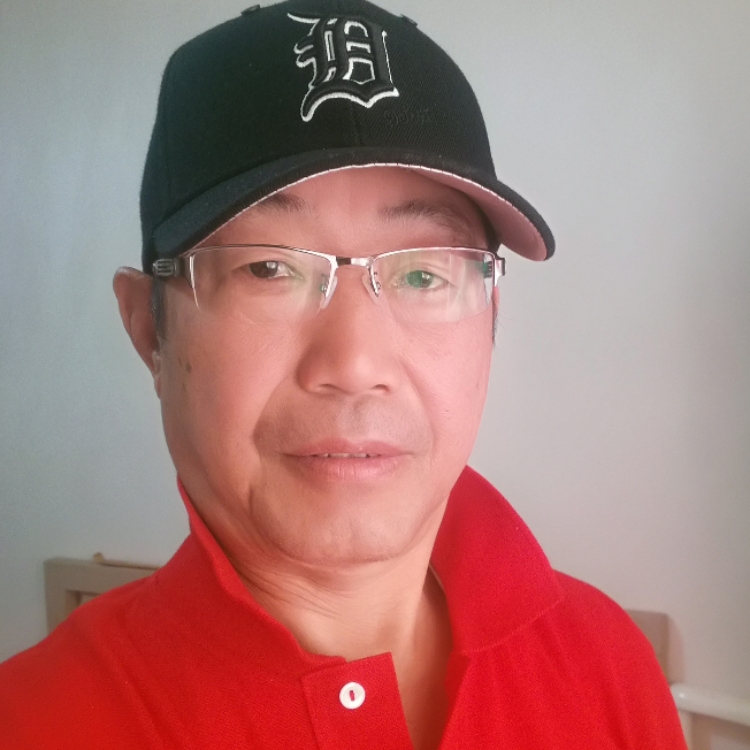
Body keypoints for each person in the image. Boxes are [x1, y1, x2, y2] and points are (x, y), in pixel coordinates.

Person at [0, 1, 687, 748]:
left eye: (423, 274)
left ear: (492, 317)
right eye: (268, 269)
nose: (355, 364)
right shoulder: (36, 721)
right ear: (148, 331)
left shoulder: (606, 664)